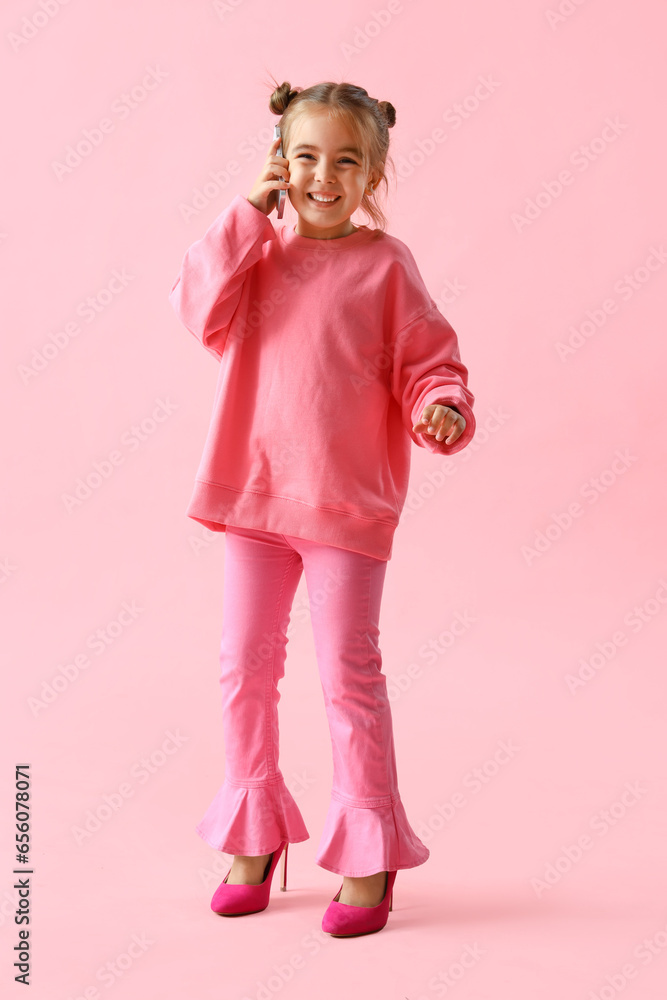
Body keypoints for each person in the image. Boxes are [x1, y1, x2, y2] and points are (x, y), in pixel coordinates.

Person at [168, 79, 476, 937]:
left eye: (345, 160)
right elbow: (195, 307)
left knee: (348, 680)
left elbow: (429, 360)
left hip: (344, 505)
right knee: (244, 669)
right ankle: (252, 835)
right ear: (280, 161)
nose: (323, 176)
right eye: (305, 156)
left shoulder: (385, 267)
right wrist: (248, 209)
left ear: (373, 170)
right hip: (254, 495)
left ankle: (369, 857)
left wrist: (437, 405)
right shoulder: (254, 254)